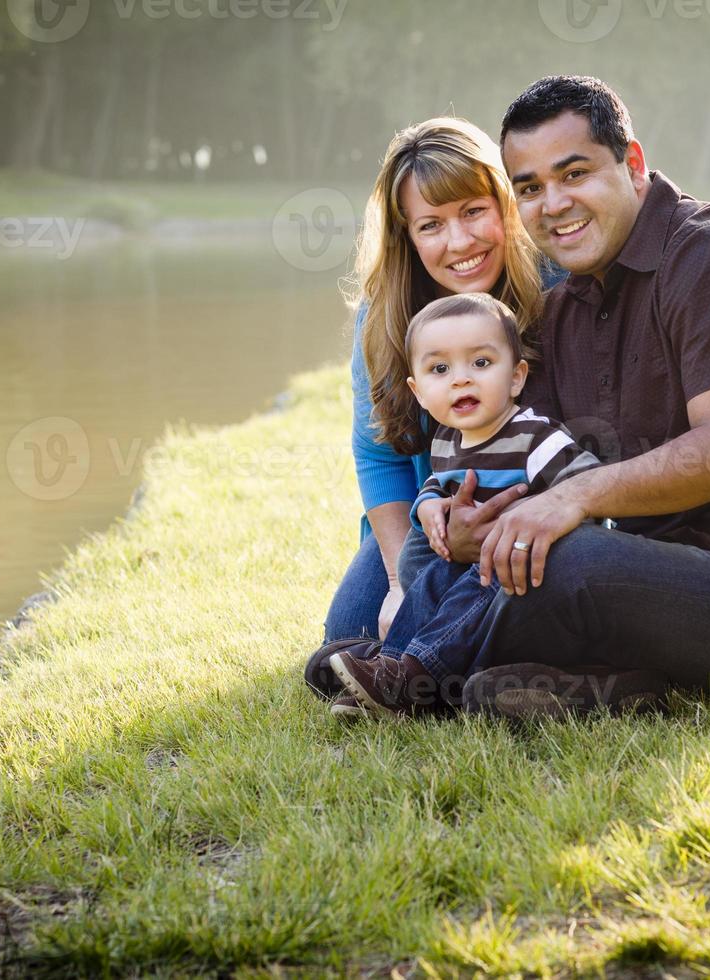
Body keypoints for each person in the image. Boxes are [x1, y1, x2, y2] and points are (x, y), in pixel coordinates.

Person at [407, 75, 710, 719]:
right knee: (491, 548)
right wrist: (466, 526)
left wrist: (571, 498)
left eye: (575, 173)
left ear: (633, 164)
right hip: (647, 572)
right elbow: (522, 450)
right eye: (531, 188)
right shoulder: (563, 309)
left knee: (571, 561)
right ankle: (611, 685)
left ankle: (417, 677)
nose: (554, 203)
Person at [306, 117, 565, 704]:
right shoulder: (383, 318)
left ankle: (441, 669)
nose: (459, 243)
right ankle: (422, 665)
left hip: (529, 509)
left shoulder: (554, 287)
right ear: (407, 235)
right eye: (431, 225)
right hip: (429, 520)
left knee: (478, 617)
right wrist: (401, 579)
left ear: (503, 204)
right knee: (348, 634)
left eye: (473, 211)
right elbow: (378, 456)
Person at [327, 293, 602, 718]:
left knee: (479, 579)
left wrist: (547, 520)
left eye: (481, 363)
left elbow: (588, 487)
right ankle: (390, 671)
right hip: (465, 559)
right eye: (441, 369)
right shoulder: (448, 440)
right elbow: (438, 482)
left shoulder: (533, 438)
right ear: (418, 392)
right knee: (431, 576)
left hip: (520, 572)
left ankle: (414, 676)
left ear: (516, 377)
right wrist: (428, 507)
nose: (461, 380)